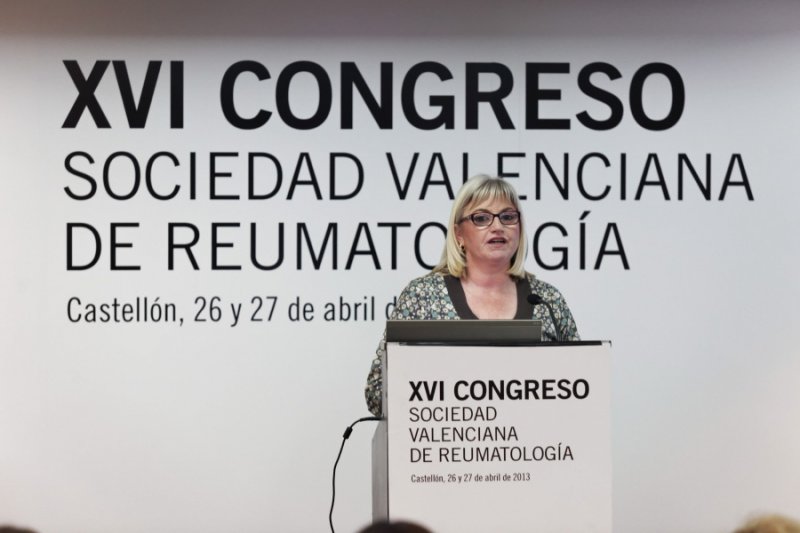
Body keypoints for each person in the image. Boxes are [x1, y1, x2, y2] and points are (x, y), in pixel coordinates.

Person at [365, 175, 580, 416]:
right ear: (458, 234)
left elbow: (582, 385)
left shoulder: (547, 299)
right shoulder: (422, 296)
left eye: (508, 217)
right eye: (482, 218)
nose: (497, 226)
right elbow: (377, 393)